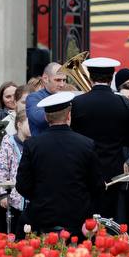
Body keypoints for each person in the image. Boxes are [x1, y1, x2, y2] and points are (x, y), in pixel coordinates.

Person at [15, 91, 101, 234]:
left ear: (46, 117)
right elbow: (97, 185)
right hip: (77, 219)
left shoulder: (32, 145)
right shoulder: (86, 144)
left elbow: (22, 185)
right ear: (69, 116)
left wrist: (40, 197)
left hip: (42, 217)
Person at [71, 58, 129, 221]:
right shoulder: (125, 103)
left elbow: (73, 135)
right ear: (111, 78)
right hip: (113, 171)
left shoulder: (77, 103)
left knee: (86, 219)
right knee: (110, 219)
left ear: (90, 78)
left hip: (84, 170)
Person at [0, 107, 30, 230]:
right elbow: (1, 169)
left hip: (31, 199)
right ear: (19, 124)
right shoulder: (8, 142)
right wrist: (2, 194)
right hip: (14, 198)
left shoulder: (35, 143)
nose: (32, 126)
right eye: (29, 123)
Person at [24, 63, 68, 136]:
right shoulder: (33, 97)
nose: (62, 84)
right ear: (45, 78)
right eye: (58, 80)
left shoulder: (66, 96)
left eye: (64, 80)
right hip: (43, 142)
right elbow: (40, 119)